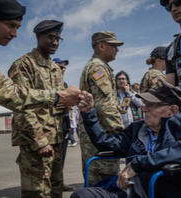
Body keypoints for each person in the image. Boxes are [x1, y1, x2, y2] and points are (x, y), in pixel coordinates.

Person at [0, 0, 81, 197]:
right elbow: (10, 95)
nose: (14, 33)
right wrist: (57, 96)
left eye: (17, 27)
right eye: (10, 25)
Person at [72, 80, 181, 198]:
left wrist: (140, 163)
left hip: (168, 192)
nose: (144, 109)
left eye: (151, 105)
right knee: (81, 195)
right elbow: (106, 144)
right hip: (134, 191)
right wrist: (89, 113)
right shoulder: (138, 128)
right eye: (144, 104)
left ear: (173, 110)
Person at [8, 20, 77, 198]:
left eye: (58, 39)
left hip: (56, 139)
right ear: (38, 36)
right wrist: (40, 140)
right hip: (35, 143)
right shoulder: (24, 65)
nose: (55, 42)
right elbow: (21, 105)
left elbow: (59, 101)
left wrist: (71, 101)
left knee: (56, 189)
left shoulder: (55, 68)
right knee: (37, 191)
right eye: (51, 37)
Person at [79, 31, 125, 186]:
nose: (117, 50)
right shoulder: (98, 68)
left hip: (95, 134)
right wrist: (120, 132)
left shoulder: (98, 66)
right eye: (114, 46)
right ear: (101, 46)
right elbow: (105, 106)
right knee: (103, 182)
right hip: (101, 136)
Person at [53, 57, 75, 192]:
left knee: (61, 157)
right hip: (52, 127)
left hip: (64, 125)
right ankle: (50, 185)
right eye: (60, 67)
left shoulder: (65, 84)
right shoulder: (48, 83)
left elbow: (67, 105)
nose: (63, 69)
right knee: (52, 159)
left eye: (64, 67)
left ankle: (59, 183)